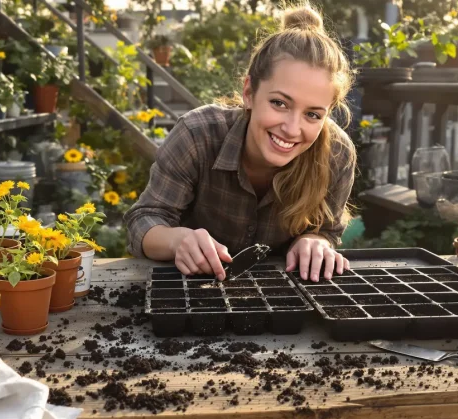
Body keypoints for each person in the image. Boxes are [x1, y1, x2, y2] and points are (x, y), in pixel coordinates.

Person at [124, 2, 356, 283]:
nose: (292, 129)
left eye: (312, 114)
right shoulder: (197, 135)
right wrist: (178, 240)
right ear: (249, 93)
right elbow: (144, 220)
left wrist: (315, 240)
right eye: (279, 103)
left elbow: (327, 230)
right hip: (193, 292)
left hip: (281, 302)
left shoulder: (337, 153)